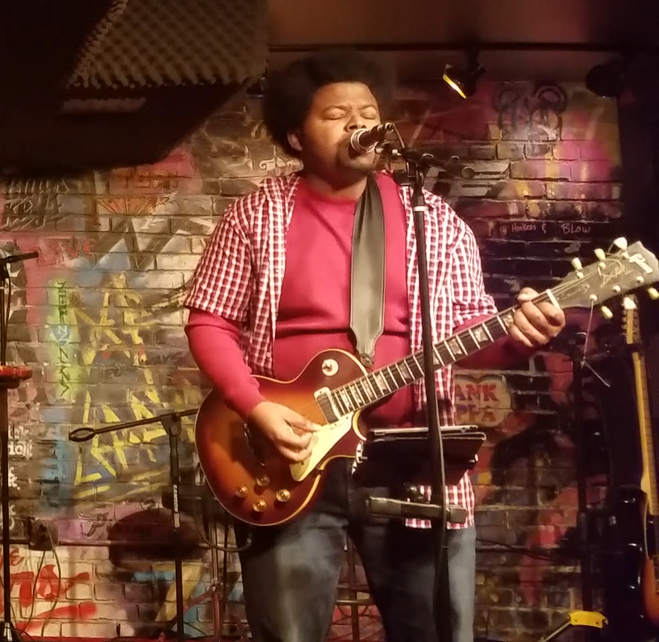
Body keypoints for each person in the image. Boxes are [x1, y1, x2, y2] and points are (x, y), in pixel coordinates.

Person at [183, 50, 566, 642]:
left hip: (412, 461)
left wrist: (518, 339)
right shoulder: (256, 215)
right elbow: (210, 320)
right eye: (336, 114)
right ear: (296, 137)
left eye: (367, 111)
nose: (358, 122)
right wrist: (255, 407)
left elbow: (470, 331)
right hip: (288, 459)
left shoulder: (434, 220)